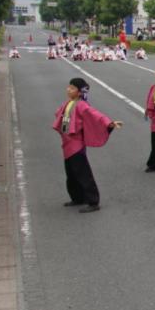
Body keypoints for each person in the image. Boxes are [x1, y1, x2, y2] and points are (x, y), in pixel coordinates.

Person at [53, 77, 122, 213]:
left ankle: (93, 201)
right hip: (67, 143)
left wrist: (109, 123)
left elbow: (96, 115)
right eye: (69, 87)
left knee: (83, 174)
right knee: (71, 174)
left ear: (79, 92)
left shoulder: (82, 105)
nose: (68, 89)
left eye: (72, 88)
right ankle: (78, 198)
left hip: (76, 145)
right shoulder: (69, 103)